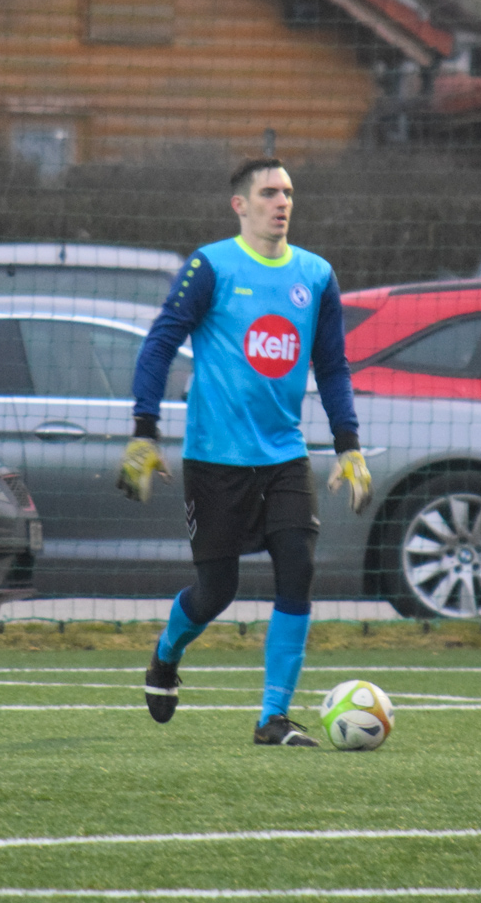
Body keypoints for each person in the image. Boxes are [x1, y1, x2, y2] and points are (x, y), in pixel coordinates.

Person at [118, 157, 371, 747]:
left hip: (284, 457)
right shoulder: (211, 266)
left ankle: (272, 718)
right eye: (268, 193)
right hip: (215, 460)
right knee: (217, 592)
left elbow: (333, 366)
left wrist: (349, 446)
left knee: (298, 569)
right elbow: (159, 345)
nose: (281, 203)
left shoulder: (316, 275)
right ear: (240, 205)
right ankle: (166, 655)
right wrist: (144, 430)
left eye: (288, 193)